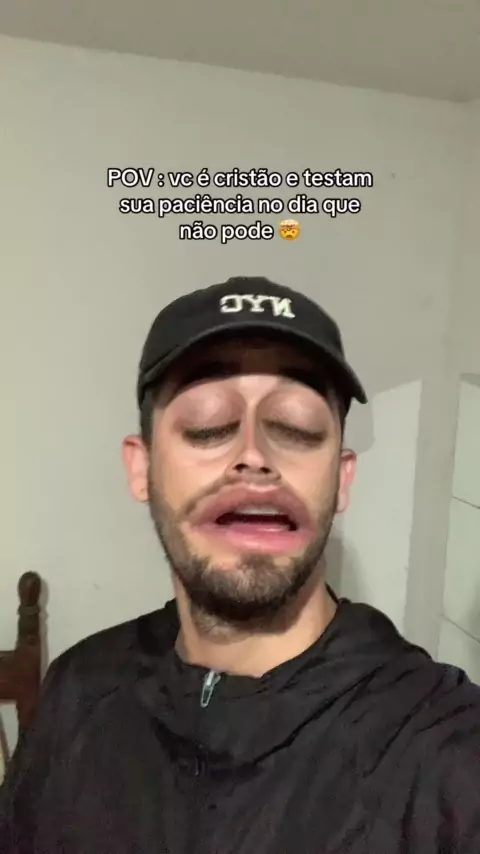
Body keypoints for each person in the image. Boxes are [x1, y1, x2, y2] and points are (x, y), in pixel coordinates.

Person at [1, 276, 479, 854]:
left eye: (297, 427)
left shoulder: (447, 757)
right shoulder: (77, 691)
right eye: (206, 425)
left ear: (342, 478)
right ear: (141, 468)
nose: (253, 455)